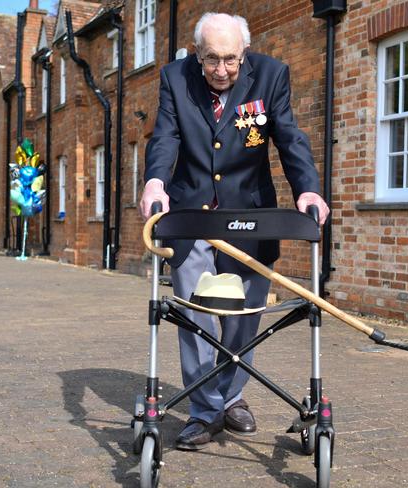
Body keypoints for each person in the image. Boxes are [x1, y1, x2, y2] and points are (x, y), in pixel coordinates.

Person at [140, 12, 330, 451]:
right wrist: (154, 182)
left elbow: (289, 137)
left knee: (245, 318)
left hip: (251, 213)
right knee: (195, 313)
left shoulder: (271, 75)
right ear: (196, 52)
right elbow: (165, 137)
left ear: (244, 53)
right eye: (211, 60)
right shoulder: (174, 77)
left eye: (230, 59)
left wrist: (308, 191)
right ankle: (205, 411)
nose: (221, 70)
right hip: (191, 215)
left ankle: (233, 397)